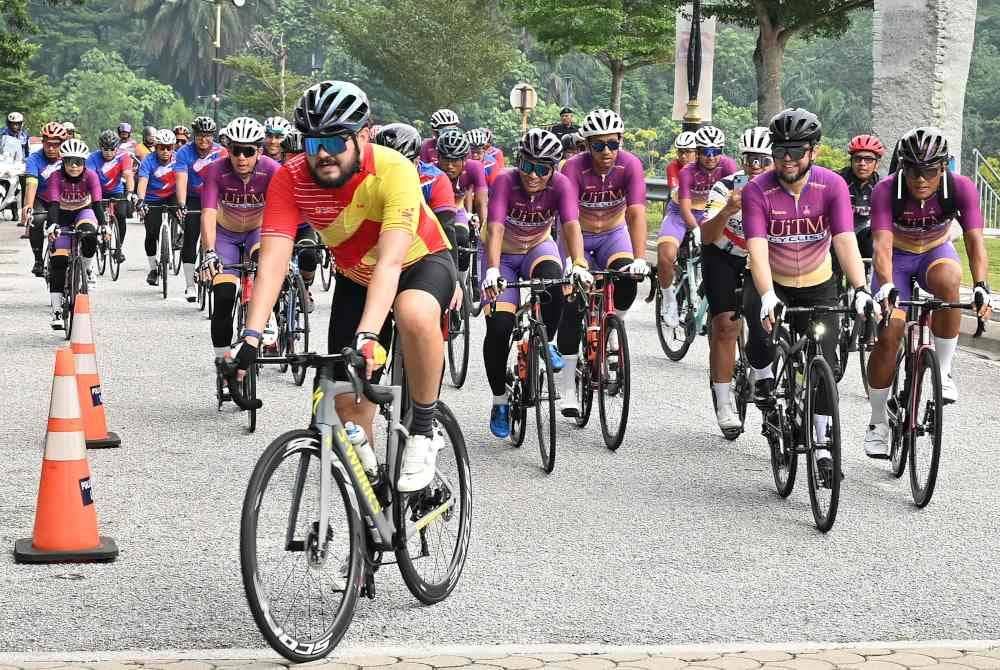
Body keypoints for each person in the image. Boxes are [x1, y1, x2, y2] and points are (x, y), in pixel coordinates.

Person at [229, 80, 456, 493]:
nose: (322, 154)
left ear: (364, 136)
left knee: (413, 312)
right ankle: (371, 500)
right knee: (345, 404)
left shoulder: (393, 168)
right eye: (314, 141)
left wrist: (369, 334)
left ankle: (424, 430)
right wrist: (251, 333)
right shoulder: (290, 178)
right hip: (357, 279)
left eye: (335, 140)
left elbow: (390, 260)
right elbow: (275, 261)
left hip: (417, 263)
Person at [742, 108, 875, 483]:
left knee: (826, 363)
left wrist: (862, 289)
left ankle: (822, 448)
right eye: (780, 150)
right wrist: (767, 294)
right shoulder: (758, 190)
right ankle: (764, 380)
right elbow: (757, 247)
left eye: (796, 151)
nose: (787, 159)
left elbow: (845, 239)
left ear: (813, 151)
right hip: (774, 280)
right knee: (759, 326)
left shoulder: (831, 186)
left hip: (819, 280)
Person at [863, 127, 992, 456]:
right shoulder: (886, 190)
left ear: (944, 167)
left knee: (951, 280)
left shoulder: (960, 188)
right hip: (898, 260)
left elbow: (976, 241)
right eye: (913, 170)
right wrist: (887, 285)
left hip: (935, 252)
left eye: (930, 171)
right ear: (901, 166)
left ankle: (944, 371)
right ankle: (878, 421)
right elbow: (881, 247)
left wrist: (981, 286)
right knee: (890, 333)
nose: (921, 179)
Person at [481, 128, 591, 437]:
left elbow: (571, 225)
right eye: (528, 165)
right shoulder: (505, 180)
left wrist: (579, 263)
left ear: (553, 169)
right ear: (519, 162)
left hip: (536, 247)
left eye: (543, 169)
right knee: (500, 327)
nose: (533, 175)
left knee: (554, 282)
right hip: (501, 255)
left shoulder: (562, 185)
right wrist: (491, 269)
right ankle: (500, 399)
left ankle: (546, 342)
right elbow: (496, 228)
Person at [553, 108, 648, 417]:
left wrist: (639, 258)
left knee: (626, 281)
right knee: (573, 304)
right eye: (598, 145)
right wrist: (577, 263)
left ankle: (610, 325)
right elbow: (567, 219)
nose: (606, 151)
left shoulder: (630, 165)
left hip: (612, 234)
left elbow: (635, 213)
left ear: (620, 141)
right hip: (576, 233)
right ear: (587, 145)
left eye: (612, 144)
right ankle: (568, 385)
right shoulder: (572, 168)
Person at [699, 126, 773, 437]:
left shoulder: (780, 191)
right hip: (724, 254)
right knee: (726, 325)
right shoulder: (724, 187)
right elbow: (706, 235)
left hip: (762, 259)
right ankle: (724, 399)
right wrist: (729, 207)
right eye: (749, 159)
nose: (755, 166)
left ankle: (765, 376)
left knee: (769, 320)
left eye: (762, 159)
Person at [198, 117, 281, 359]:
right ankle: (223, 360)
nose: (241, 157)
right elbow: (208, 213)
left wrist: (279, 251)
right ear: (228, 150)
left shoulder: (272, 170)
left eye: (248, 151)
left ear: (259, 151)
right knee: (223, 296)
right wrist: (209, 252)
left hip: (258, 231)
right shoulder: (216, 170)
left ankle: (269, 314)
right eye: (236, 150)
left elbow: (280, 212)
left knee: (268, 266)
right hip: (225, 234)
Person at [657, 125, 738, 327]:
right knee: (666, 256)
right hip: (681, 213)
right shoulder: (687, 171)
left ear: (722, 151)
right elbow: (684, 209)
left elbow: (739, 198)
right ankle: (669, 300)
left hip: (711, 210)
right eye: (705, 152)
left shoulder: (730, 166)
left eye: (716, 152)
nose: (710, 157)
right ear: (698, 152)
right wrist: (695, 229)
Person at [42, 138, 104, 327]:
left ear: (84, 163)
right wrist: (53, 225)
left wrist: (104, 225)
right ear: (63, 162)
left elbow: (97, 204)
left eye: (79, 162)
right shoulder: (55, 177)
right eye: (70, 162)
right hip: (60, 215)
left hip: (83, 212)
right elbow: (52, 204)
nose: (74, 166)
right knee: (59, 261)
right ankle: (57, 310)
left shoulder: (91, 176)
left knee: (89, 235)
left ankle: (86, 268)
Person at [175, 116, 227, 301]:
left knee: (216, 235)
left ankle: (210, 265)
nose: (204, 140)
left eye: (208, 136)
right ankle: (190, 284)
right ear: (194, 136)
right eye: (199, 136)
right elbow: (181, 179)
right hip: (193, 197)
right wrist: (181, 203)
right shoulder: (184, 152)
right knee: (190, 236)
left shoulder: (222, 152)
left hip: (215, 197)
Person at [435, 129, 487, 288]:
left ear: (465, 159)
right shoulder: (433, 171)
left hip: (458, 208)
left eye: (455, 161)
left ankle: (461, 282)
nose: (449, 166)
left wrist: (484, 232)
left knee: (462, 238)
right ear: (438, 158)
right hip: (434, 211)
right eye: (445, 160)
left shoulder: (474, 167)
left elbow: (481, 201)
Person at [136, 128, 180, 287]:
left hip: (172, 195)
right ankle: (153, 269)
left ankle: (179, 235)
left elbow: (184, 181)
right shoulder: (148, 160)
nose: (166, 151)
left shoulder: (178, 160)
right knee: (151, 233)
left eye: (169, 147)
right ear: (156, 147)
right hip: (152, 198)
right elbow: (142, 182)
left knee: (185, 216)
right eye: (162, 147)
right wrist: (140, 200)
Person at [23, 122, 66, 275]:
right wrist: (28, 206)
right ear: (43, 142)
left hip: (63, 199)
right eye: (48, 144)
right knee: (37, 219)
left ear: (63, 144)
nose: (51, 149)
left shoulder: (68, 157)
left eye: (55, 145)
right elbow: (31, 183)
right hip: (42, 198)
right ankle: (38, 260)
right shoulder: (34, 159)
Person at [86, 129, 136, 262]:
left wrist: (130, 192)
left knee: (121, 215)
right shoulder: (92, 158)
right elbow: (90, 178)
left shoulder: (123, 156)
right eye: (105, 149)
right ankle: (99, 238)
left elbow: (128, 175)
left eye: (111, 149)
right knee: (96, 215)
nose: (108, 153)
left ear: (117, 148)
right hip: (98, 191)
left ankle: (118, 249)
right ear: (100, 147)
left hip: (116, 190)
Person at [837, 134, 886, 262]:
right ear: (851, 161)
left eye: (868, 159)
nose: (862, 164)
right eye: (857, 159)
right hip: (839, 233)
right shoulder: (837, 181)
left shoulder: (882, 186)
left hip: (866, 234)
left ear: (877, 164)